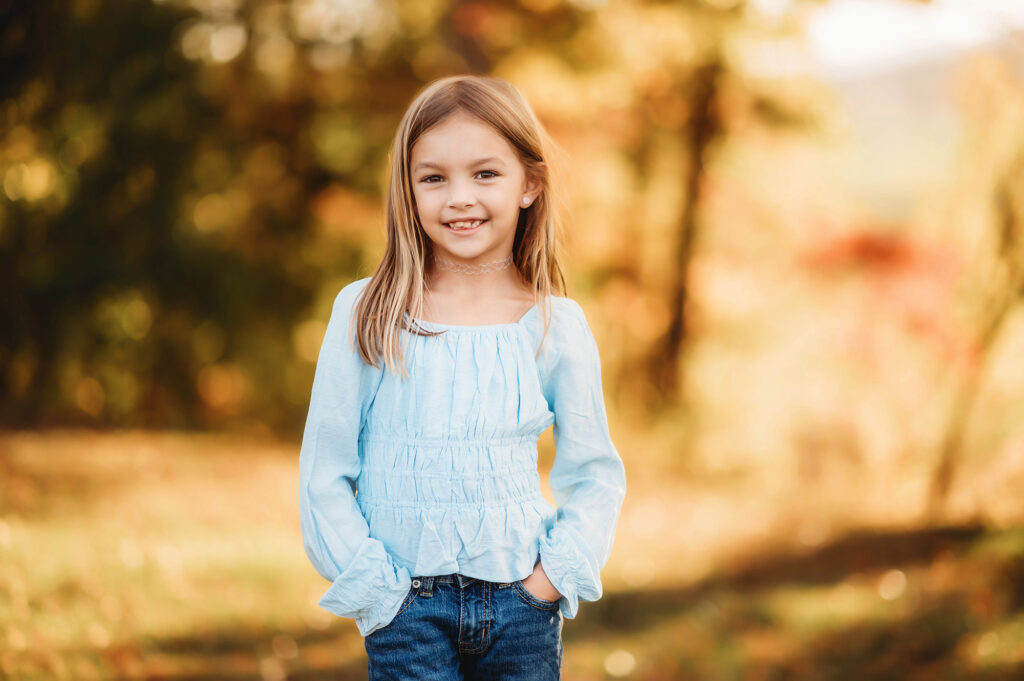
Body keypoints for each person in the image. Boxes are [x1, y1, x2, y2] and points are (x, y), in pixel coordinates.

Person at [298, 75, 626, 680]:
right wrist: (379, 595)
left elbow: (594, 474)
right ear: (409, 188)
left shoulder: (554, 325)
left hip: (522, 610)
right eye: (434, 178)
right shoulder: (369, 312)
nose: (458, 198)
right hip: (405, 611)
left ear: (530, 183)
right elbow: (324, 472)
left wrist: (550, 582)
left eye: (485, 174)